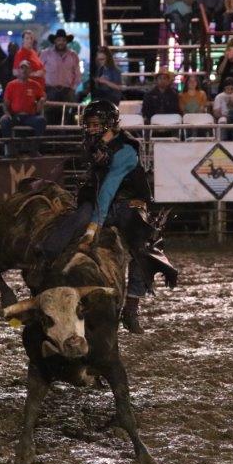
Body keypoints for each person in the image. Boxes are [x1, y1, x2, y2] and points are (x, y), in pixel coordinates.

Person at [43, 101, 178, 333]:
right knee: (71, 223)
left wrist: (95, 225)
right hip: (97, 198)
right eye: (89, 124)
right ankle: (43, 261)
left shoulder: (126, 149)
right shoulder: (93, 144)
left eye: (96, 124)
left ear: (109, 125)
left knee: (142, 246)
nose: (91, 128)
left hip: (127, 201)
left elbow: (108, 189)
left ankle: (132, 306)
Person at [0, 60, 47, 156]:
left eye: (26, 68)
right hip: (15, 116)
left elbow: (43, 96)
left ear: (30, 71)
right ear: (18, 71)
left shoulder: (35, 85)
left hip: (30, 116)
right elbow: (6, 103)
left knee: (41, 120)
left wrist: (41, 100)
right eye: (22, 68)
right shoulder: (11, 85)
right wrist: (7, 113)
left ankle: (34, 149)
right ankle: (10, 149)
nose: (24, 70)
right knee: (4, 121)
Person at [41, 29, 82, 116]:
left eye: (63, 40)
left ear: (67, 42)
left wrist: (72, 89)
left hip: (67, 91)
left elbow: (77, 75)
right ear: (55, 41)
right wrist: (42, 89)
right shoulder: (45, 53)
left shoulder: (73, 55)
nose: (61, 42)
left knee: (66, 117)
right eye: (59, 40)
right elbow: (40, 71)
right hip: (49, 90)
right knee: (49, 116)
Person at [13, 30, 45, 94]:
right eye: (27, 38)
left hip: (38, 88)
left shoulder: (33, 52)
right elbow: (15, 72)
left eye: (31, 38)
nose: (30, 40)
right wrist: (35, 74)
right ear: (23, 40)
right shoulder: (20, 54)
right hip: (28, 89)